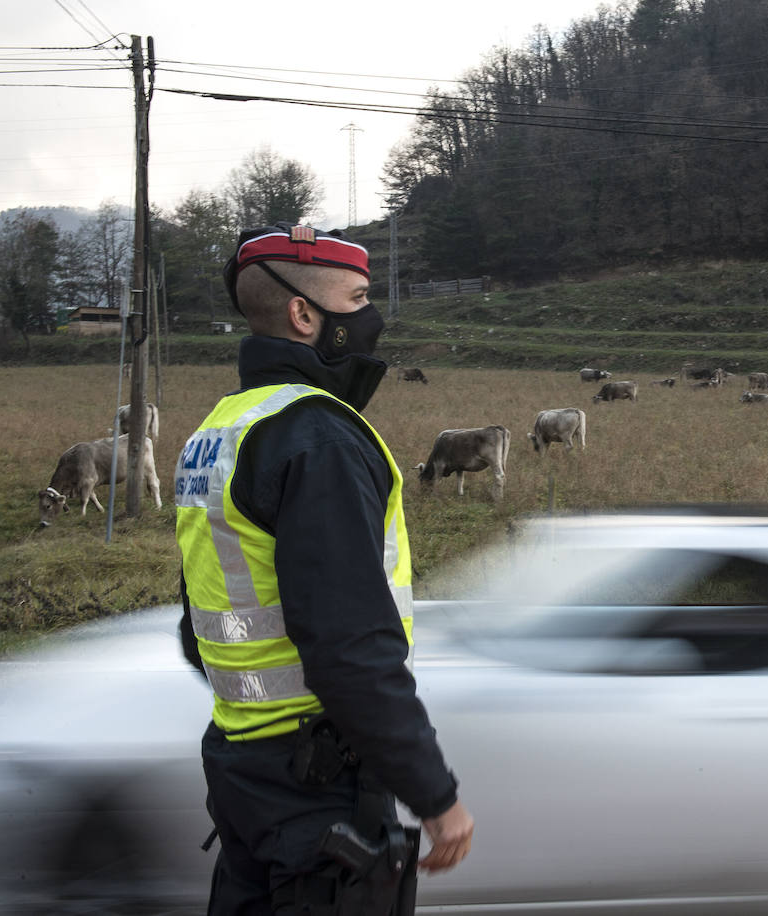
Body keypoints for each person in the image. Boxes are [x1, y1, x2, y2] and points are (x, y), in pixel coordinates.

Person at [174, 223, 473, 915]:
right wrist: (435, 795)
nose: (370, 320)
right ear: (305, 315)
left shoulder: (221, 429)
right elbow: (348, 645)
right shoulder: (321, 438)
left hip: (240, 769)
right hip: (319, 789)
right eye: (359, 298)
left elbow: (199, 624)